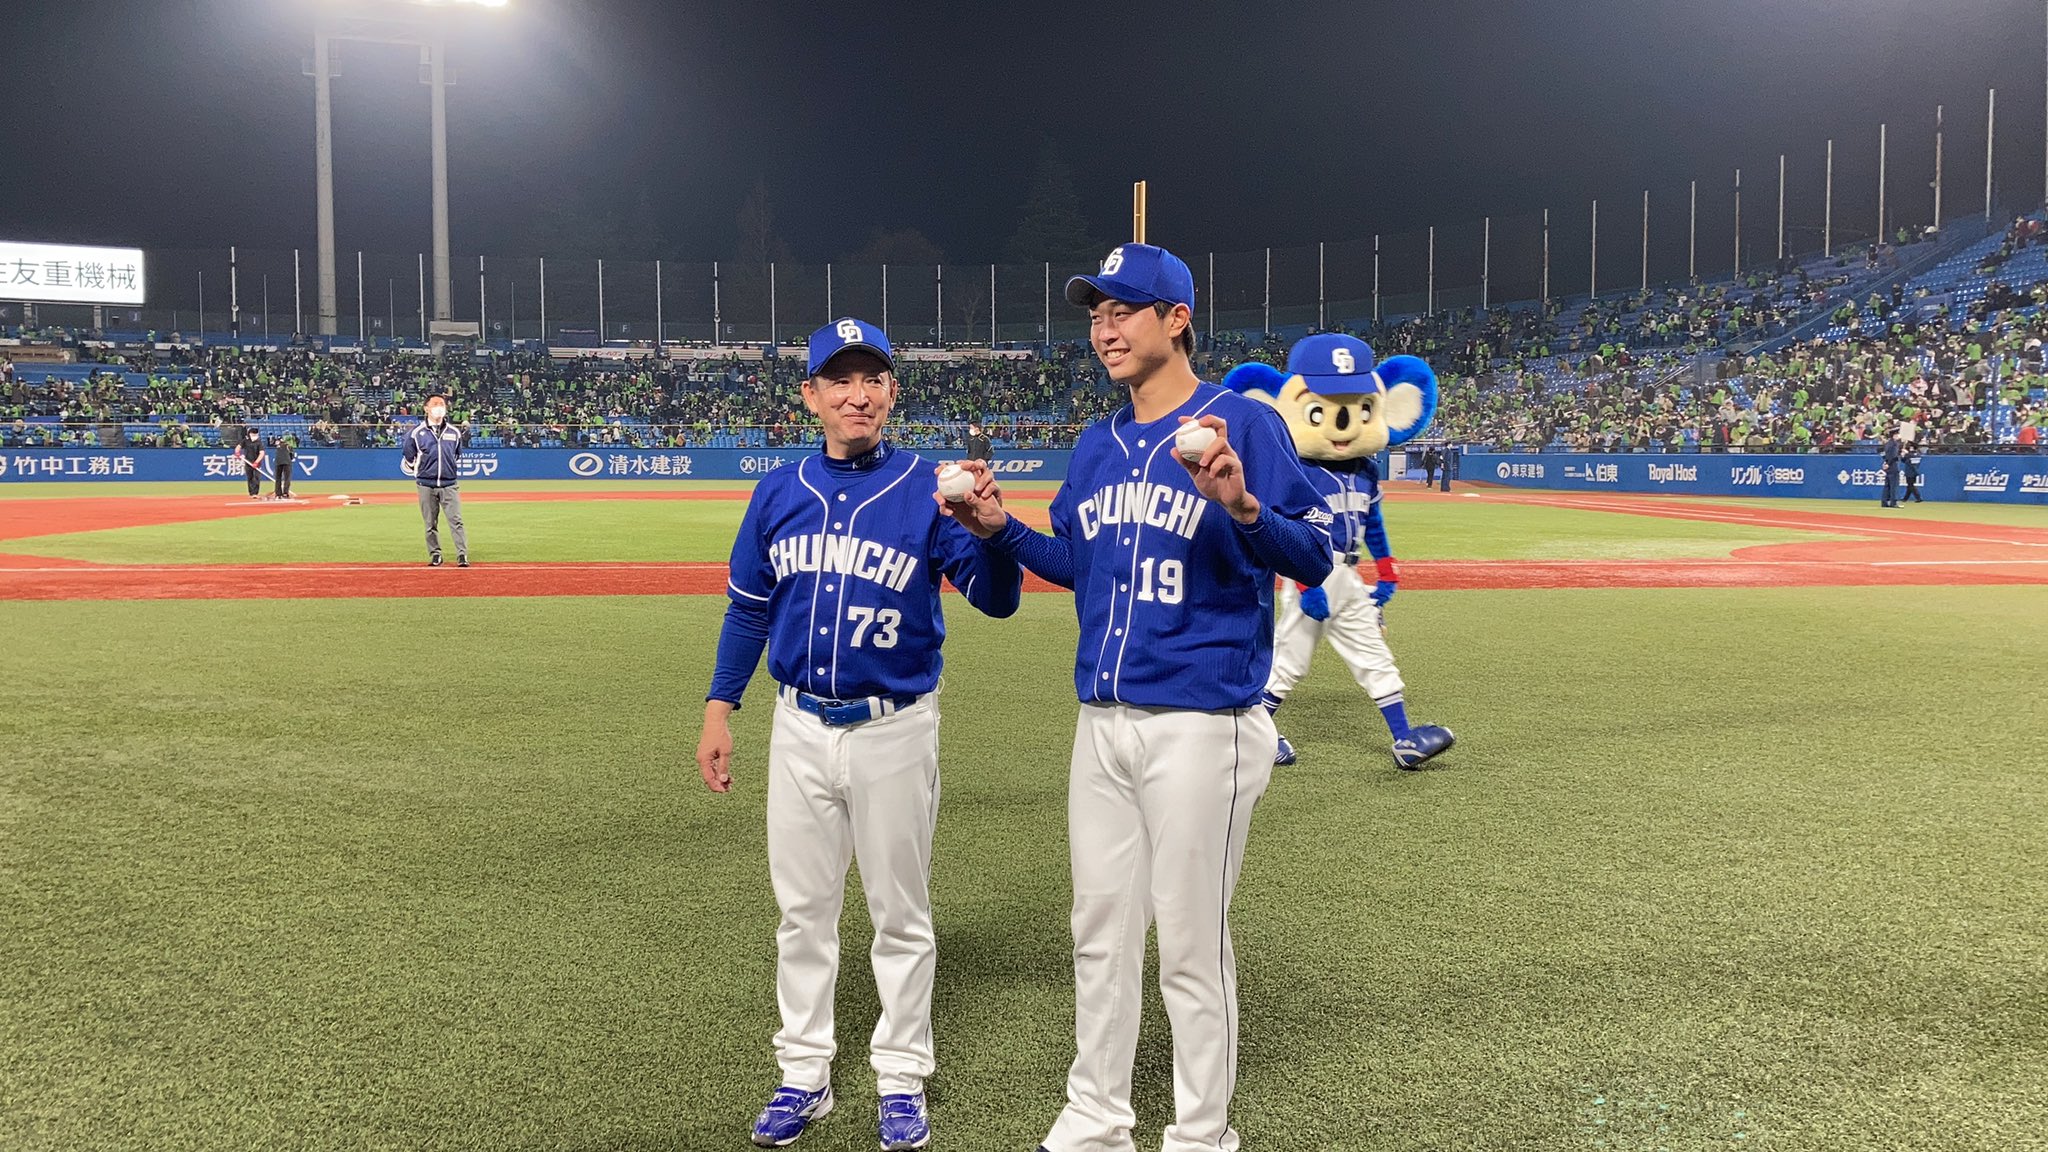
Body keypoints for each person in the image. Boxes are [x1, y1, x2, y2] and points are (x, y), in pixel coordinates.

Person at [942, 243, 1332, 1152]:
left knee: (1191, 945)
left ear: (1177, 319)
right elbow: (1078, 565)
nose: (1104, 328)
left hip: (1204, 720)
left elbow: (1316, 554)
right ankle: (1096, 1116)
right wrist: (1000, 529)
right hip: (1102, 724)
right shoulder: (1097, 443)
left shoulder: (1243, 422)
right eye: (1095, 314)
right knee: (1100, 932)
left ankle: (1201, 1134)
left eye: (1123, 310)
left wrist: (1243, 506)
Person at [697, 317, 1021, 1151]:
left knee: (899, 913)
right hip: (798, 726)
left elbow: (997, 601)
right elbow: (748, 610)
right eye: (839, 379)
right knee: (802, 913)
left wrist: (989, 531)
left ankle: (901, 1075)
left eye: (872, 378)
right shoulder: (777, 492)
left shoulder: (929, 489)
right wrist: (720, 708)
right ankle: (804, 1073)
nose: (857, 394)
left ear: (892, 391)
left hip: (894, 729)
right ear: (810, 395)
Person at [402, 394, 470, 566]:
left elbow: (456, 455)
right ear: (426, 408)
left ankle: (462, 555)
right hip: (426, 484)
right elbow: (409, 455)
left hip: (449, 484)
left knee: (456, 520)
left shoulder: (454, 432)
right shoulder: (416, 433)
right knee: (430, 523)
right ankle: (435, 554)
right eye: (435, 404)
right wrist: (421, 470)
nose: (439, 407)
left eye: (442, 404)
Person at [235, 426, 265, 498]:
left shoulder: (259, 442)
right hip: (248, 462)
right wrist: (237, 452)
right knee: (250, 478)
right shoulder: (246, 441)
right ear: (250, 434)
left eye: (256, 434)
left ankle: (255, 493)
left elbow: (262, 453)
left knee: (256, 477)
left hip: (256, 463)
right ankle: (251, 493)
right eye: (253, 434)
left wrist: (256, 462)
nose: (254, 436)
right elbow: (238, 447)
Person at [1880, 428, 1903, 508]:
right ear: (1894, 435)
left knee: (1887, 485)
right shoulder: (1894, 444)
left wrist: (1886, 463)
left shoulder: (1887, 444)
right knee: (1894, 485)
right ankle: (1893, 502)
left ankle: (1884, 501)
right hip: (1893, 466)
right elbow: (1894, 456)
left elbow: (1885, 455)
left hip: (1888, 466)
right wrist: (1889, 463)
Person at [1900, 437, 1925, 503]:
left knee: (1911, 485)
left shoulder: (1912, 455)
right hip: (1913, 472)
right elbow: (1904, 460)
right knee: (1909, 486)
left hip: (1910, 472)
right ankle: (1905, 498)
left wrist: (1905, 453)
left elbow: (1908, 459)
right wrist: (1903, 455)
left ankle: (1918, 497)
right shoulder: (1915, 454)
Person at [272, 434, 295, 500]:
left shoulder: (277, 446)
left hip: (278, 462)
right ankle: (285, 493)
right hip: (287, 462)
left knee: (278, 478)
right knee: (287, 478)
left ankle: (278, 494)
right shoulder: (288, 446)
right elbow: (292, 456)